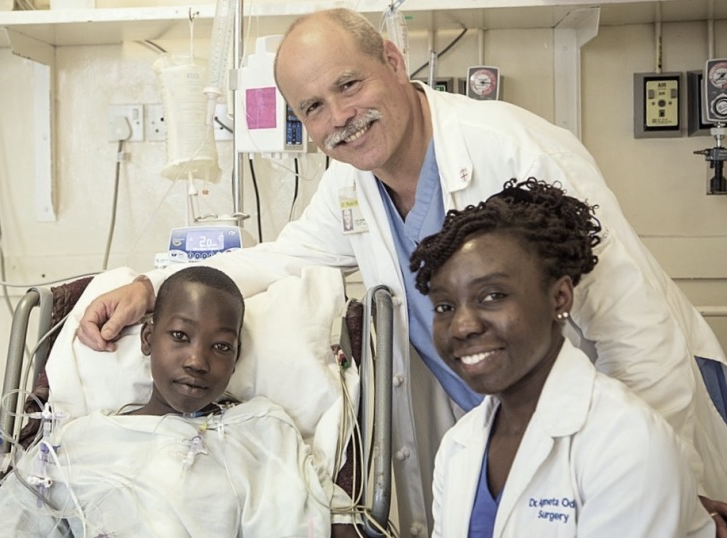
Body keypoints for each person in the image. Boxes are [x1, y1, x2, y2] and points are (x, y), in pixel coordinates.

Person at [75, 8, 727, 535]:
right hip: (507, 433)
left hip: (636, 411)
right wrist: (150, 286)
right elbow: (287, 255)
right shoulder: (351, 184)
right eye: (313, 108)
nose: (339, 118)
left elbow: (637, 326)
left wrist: (675, 486)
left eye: (349, 85)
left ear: (392, 60)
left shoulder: (512, 149)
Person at [411, 178, 714, 537]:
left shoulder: (628, 444)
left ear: (559, 298)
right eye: (445, 306)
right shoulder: (459, 446)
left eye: (492, 296)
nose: (462, 326)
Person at [0, 266, 354, 537]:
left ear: (236, 358)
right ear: (148, 338)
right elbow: (7, 525)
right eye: (180, 336)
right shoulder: (78, 445)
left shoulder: (267, 432)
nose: (198, 361)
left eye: (220, 346)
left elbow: (327, 515)